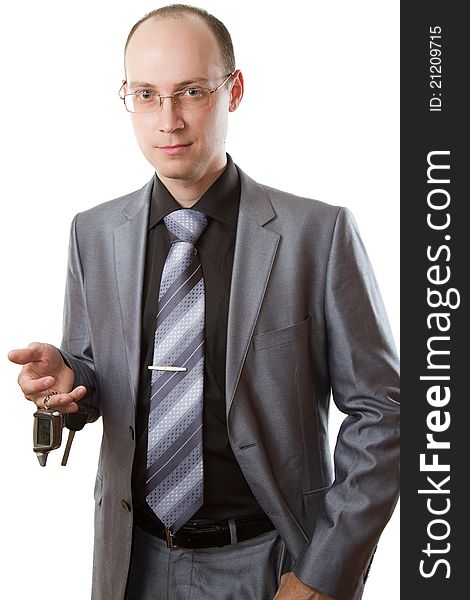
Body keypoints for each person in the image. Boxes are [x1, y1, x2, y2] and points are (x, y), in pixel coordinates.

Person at [8, 5, 399, 600]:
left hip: (269, 564)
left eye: (190, 91)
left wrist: (325, 572)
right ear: (127, 99)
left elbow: (385, 411)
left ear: (233, 90)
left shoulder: (316, 235)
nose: (169, 119)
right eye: (146, 94)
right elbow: (97, 374)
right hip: (130, 563)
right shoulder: (93, 233)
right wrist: (68, 383)